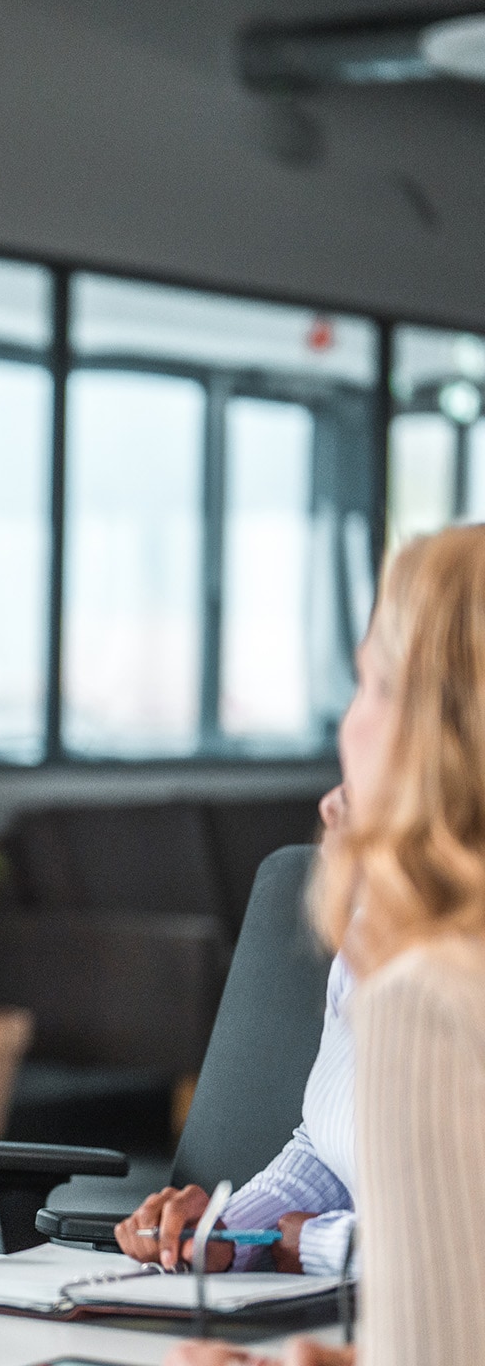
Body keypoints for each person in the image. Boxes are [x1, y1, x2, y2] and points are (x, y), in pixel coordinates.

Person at [167, 525, 485, 1365]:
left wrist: (301, 1250)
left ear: (439, 733)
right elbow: (332, 1144)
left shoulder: (431, 994)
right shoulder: (401, 957)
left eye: (370, 685)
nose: (349, 729)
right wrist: (240, 1229)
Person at [114, 786, 357, 1277]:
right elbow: (331, 1149)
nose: (329, 803)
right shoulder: (362, 952)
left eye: (362, 780)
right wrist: (225, 1233)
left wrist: (321, 1244)